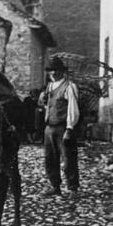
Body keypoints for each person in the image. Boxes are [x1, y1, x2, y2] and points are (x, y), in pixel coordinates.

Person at [38, 56, 80, 197]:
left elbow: (73, 109)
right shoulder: (49, 86)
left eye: (56, 70)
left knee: (68, 159)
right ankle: (55, 186)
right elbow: (50, 106)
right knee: (50, 159)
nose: (53, 73)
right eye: (50, 70)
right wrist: (43, 102)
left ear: (62, 71)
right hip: (49, 127)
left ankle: (72, 188)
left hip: (63, 127)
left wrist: (69, 128)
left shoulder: (69, 86)